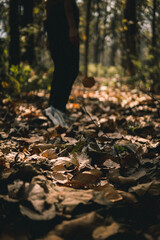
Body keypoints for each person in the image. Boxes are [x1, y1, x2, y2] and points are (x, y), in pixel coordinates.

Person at [43, 0, 79, 127]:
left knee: (61, 67)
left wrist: (48, 33)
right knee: (70, 68)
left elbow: (48, 4)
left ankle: (56, 109)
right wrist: (72, 26)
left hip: (54, 21)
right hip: (63, 21)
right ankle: (56, 109)